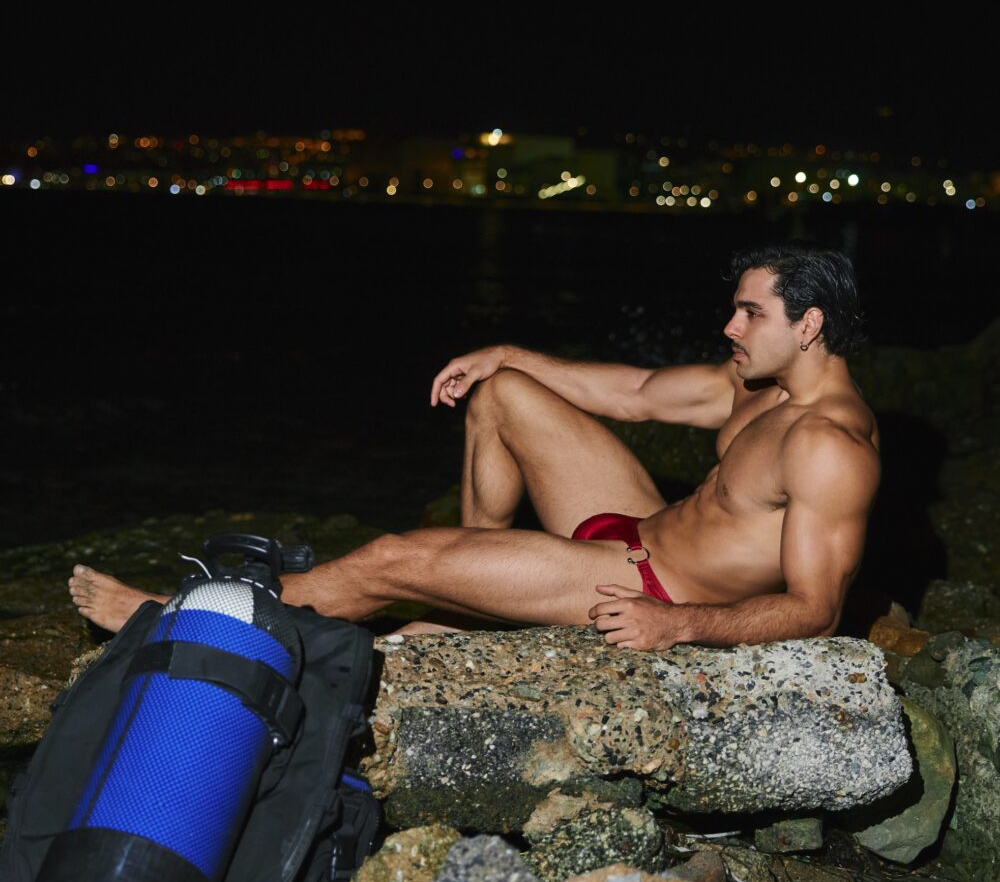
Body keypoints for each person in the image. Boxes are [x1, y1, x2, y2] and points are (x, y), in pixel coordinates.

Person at [69, 244, 879, 652]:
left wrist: (677, 626)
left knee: (391, 558)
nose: (730, 327)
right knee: (504, 393)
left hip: (648, 587)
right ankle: (474, 593)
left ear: (809, 324)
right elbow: (635, 391)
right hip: (638, 529)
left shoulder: (829, 445)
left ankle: (179, 619)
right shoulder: (759, 385)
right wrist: (507, 354)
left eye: (750, 314)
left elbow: (818, 609)